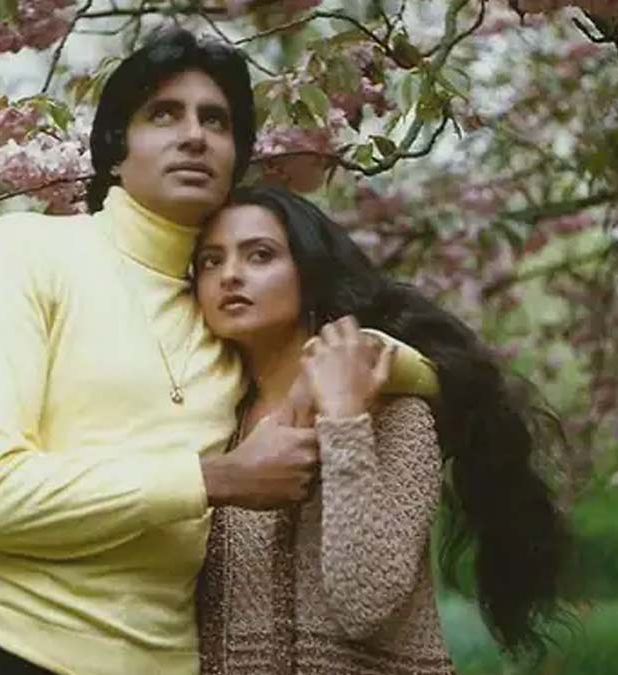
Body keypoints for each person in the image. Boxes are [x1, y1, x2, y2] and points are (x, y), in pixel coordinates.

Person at [0, 29, 432, 675]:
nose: (194, 136)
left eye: (215, 121)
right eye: (164, 114)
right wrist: (216, 478)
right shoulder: (26, 252)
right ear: (115, 150)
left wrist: (334, 372)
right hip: (2, 644)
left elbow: (421, 366)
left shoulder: (227, 312)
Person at [193, 187, 572, 675]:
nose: (230, 275)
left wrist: (344, 422)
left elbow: (365, 600)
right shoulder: (209, 421)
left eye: (260, 255)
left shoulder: (396, 415)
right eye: (210, 261)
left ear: (309, 272)